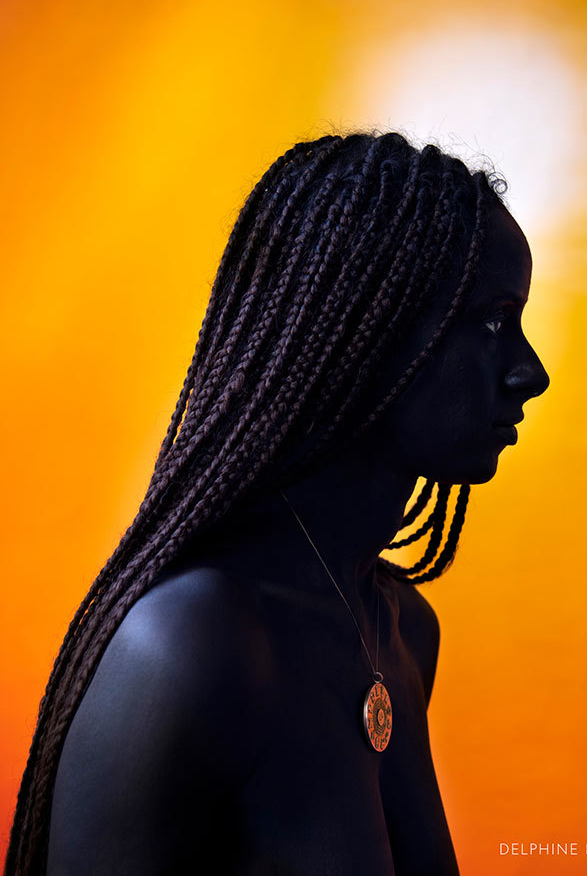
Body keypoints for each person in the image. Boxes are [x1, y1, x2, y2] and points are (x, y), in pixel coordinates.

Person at [5, 131, 549, 876]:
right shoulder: (189, 645)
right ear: (367, 328)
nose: (530, 372)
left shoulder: (401, 628)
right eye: (490, 322)